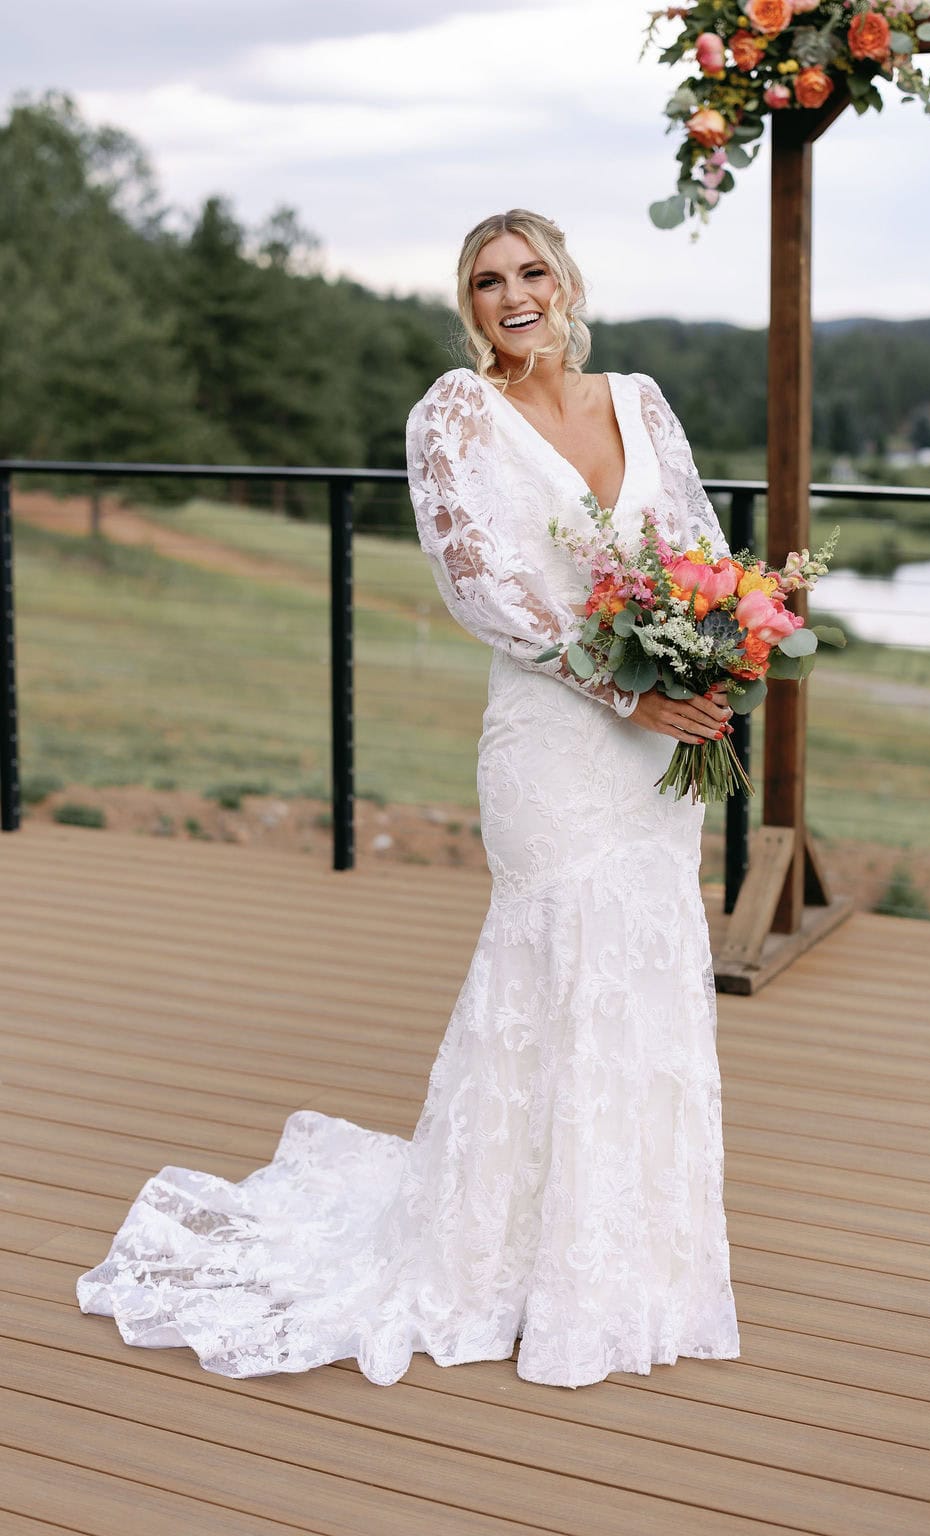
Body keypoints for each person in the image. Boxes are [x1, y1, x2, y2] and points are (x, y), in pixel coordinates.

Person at [76, 209, 741, 1390]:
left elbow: (698, 550)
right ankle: (497, 1257)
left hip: (657, 757)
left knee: (643, 967)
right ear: (467, 303)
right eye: (487, 280)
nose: (513, 295)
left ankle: (629, 1261)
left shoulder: (639, 401)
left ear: (568, 282)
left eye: (531, 271)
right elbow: (479, 587)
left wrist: (714, 661)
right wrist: (625, 690)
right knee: (551, 961)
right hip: (556, 742)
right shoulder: (453, 414)